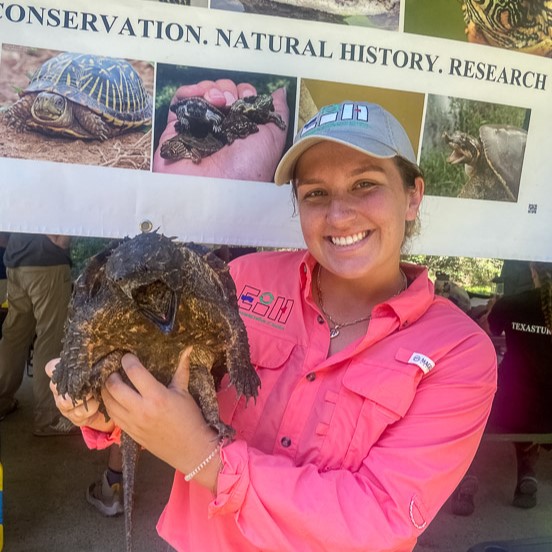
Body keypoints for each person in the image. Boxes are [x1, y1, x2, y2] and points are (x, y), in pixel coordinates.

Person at [47, 101, 497, 551]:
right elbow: (163, 390)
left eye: (365, 185)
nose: (339, 215)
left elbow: (379, 518)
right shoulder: (244, 281)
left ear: (413, 196)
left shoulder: (457, 351)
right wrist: (101, 408)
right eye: (316, 193)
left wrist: (201, 456)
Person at [484, 261, 552, 509]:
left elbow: (480, 337)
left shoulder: (511, 304)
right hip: (547, 414)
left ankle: (465, 476)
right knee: (534, 400)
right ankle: (527, 472)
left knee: (483, 401)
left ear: (533, 271)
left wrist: (493, 311)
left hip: (514, 412)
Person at [0, 232, 76, 436]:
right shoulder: (58, 197)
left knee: (14, 336)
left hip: (15, 263)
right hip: (48, 264)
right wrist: (63, 241)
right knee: (50, 338)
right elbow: (60, 235)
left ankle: (2, 400)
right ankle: (48, 417)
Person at [153, 79, 289, 182]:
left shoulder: (225, 124)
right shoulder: (182, 138)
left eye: (170, 150)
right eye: (169, 149)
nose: (164, 154)